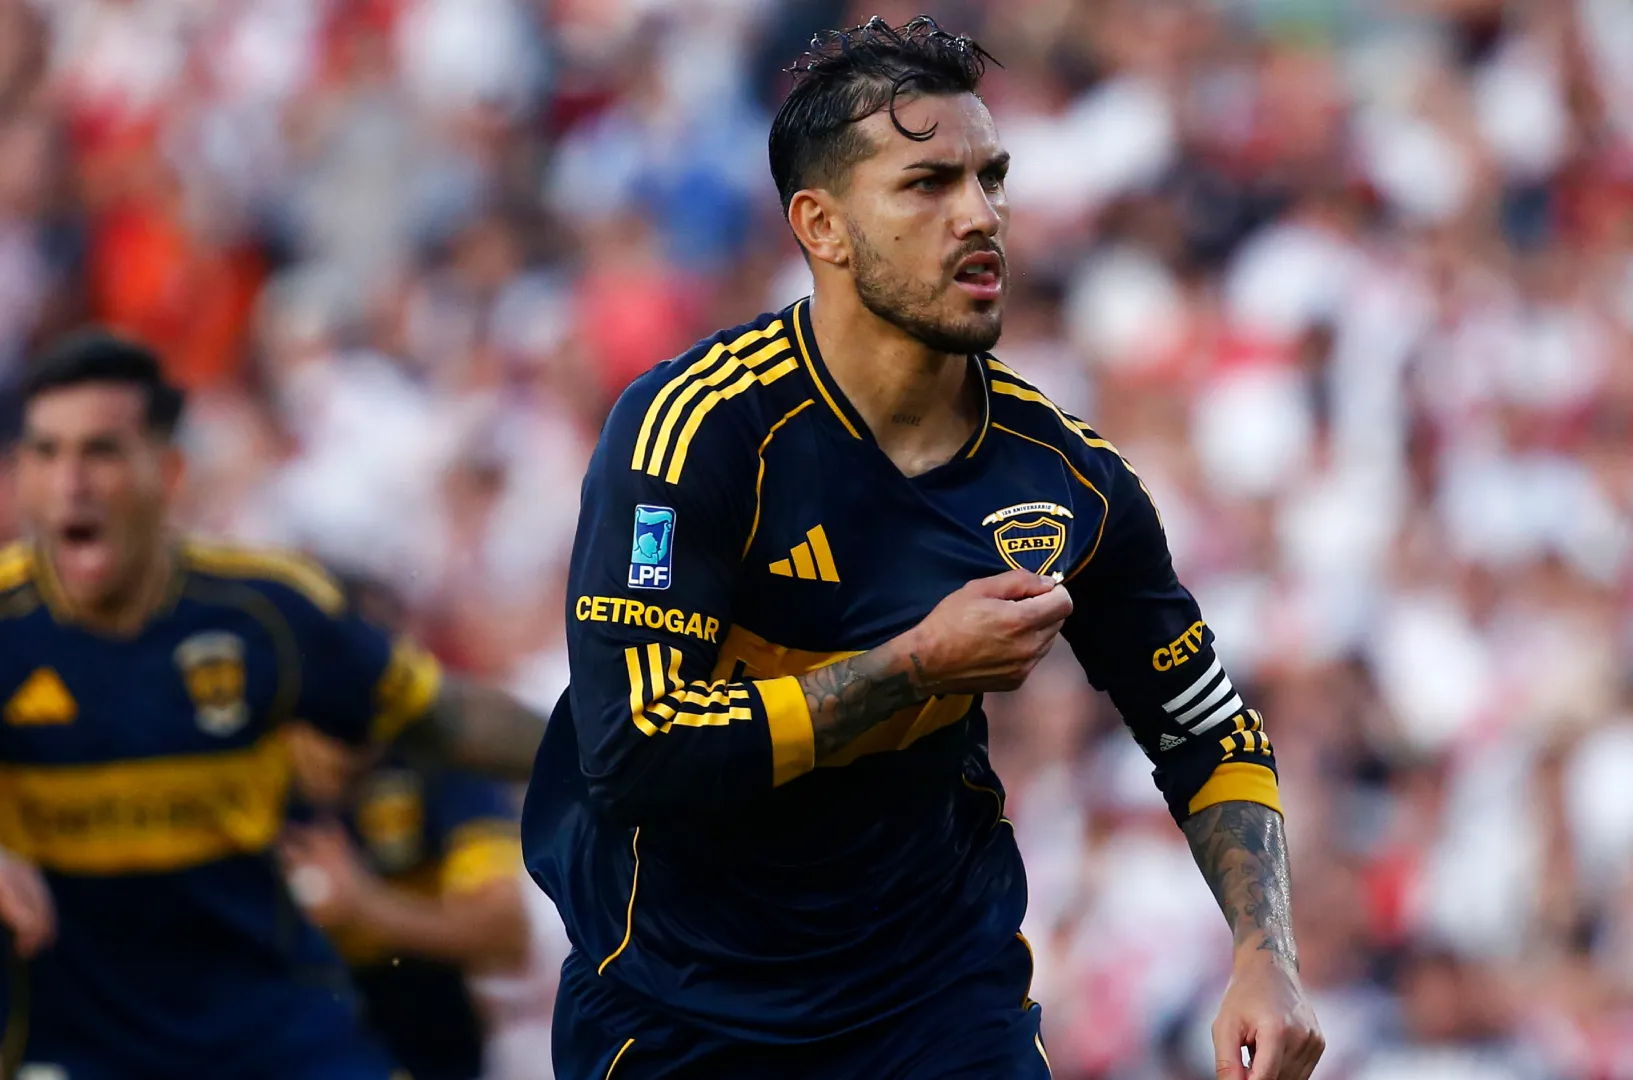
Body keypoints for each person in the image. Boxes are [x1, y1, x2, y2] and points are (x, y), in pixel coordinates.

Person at [524, 16, 1325, 1080]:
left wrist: (1267, 956)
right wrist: (914, 667)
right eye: (928, 184)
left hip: (937, 1001)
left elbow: (1208, 731)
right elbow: (634, 751)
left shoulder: (1067, 478)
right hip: (681, 1006)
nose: (980, 214)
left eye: (992, 178)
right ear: (822, 226)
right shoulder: (695, 433)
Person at [0, 332, 548, 1079]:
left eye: (101, 452)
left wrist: (625, 750)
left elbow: (446, 720)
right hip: (73, 1046)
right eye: (45, 453)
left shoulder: (268, 613)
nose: (71, 483)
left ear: (167, 472)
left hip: (271, 1031)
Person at [280, 576, 534, 1080]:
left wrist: (368, 908)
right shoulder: (249, 765)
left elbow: (508, 935)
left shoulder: (438, 761)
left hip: (426, 1047)